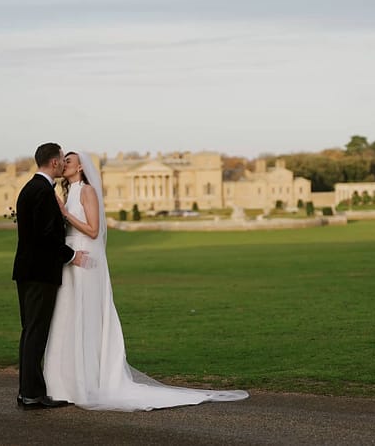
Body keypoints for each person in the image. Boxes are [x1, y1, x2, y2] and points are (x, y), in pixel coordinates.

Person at [43, 151, 249, 411]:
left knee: (86, 316)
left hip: (85, 259)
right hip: (72, 260)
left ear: (81, 167)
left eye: (68, 161)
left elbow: (94, 230)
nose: (63, 164)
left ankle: (90, 381)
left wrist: (64, 213)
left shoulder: (87, 192)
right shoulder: (66, 192)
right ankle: (69, 382)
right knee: (70, 318)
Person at [12, 142, 89, 410]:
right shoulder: (43, 191)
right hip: (40, 272)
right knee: (36, 332)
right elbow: (46, 237)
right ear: (54, 163)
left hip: (26, 271)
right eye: (61, 159)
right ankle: (33, 394)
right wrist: (71, 256)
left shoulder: (30, 188)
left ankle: (26, 392)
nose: (63, 163)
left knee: (29, 331)